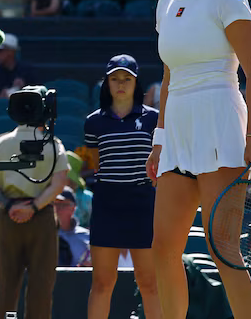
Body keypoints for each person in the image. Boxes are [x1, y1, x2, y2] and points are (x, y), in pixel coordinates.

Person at [147, 0, 251, 319]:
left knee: (223, 249)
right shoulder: (166, 2)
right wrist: (159, 140)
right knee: (163, 248)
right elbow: (168, 78)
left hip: (220, 125)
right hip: (177, 132)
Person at [83, 55, 161, 319]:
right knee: (102, 283)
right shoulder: (93, 122)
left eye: (127, 79)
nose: (121, 84)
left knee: (150, 283)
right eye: (115, 78)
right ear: (106, 83)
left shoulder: (154, 119)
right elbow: (96, 164)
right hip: (107, 204)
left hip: (143, 203)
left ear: (136, 83)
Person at [0, 119, 68, 319]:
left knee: (6, 285)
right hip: (42, 216)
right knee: (41, 286)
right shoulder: (53, 144)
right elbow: (60, 181)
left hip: (8, 216)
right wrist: (35, 206)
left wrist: (10, 206)